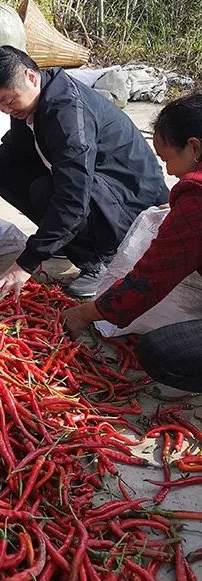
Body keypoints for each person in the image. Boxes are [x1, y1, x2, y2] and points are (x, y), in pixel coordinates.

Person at [0, 46, 169, 299]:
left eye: (8, 101)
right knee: (5, 173)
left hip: (134, 205)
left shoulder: (67, 115)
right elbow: (16, 147)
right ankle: (69, 241)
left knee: (50, 192)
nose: (6, 110)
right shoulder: (33, 101)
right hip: (105, 192)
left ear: (31, 77)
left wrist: (25, 265)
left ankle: (104, 259)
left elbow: (73, 198)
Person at [64, 94, 202, 394]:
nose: (169, 172)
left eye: (168, 159)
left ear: (194, 148)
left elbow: (149, 280)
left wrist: (84, 313)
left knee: (161, 352)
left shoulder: (197, 202)